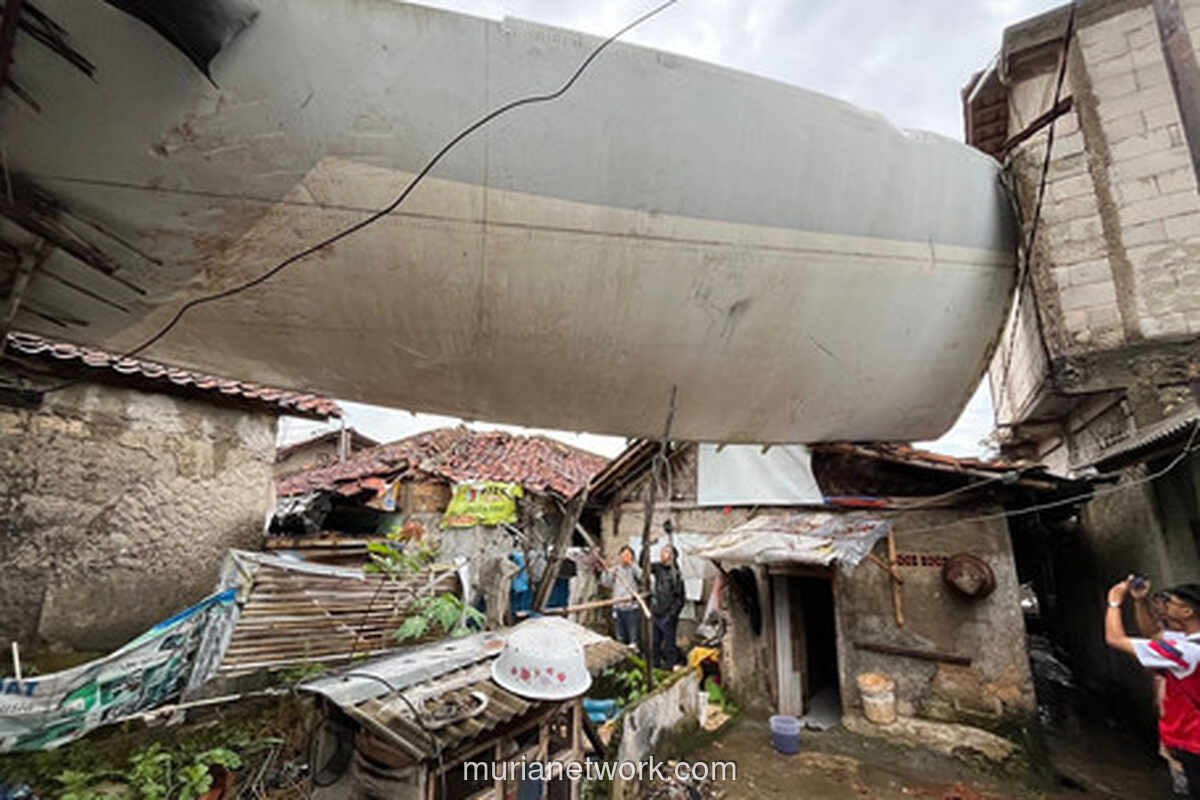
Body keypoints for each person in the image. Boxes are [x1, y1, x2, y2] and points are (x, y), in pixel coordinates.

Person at [1106, 576, 1200, 797]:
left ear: (1188, 612)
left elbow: (1115, 639)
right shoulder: (1187, 643)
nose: (1164, 606)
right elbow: (1154, 636)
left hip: (1193, 740)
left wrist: (1114, 601)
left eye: (1170, 603)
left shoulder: (1185, 652)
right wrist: (1140, 602)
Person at [651, 544, 686, 668]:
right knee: (655, 643)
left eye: (665, 552)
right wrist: (646, 546)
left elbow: (680, 599)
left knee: (669, 645)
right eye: (662, 551)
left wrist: (671, 615)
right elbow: (642, 565)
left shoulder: (676, 574)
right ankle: (655, 667)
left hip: (667, 616)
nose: (661, 554)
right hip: (656, 613)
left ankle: (671, 667)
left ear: (672, 556)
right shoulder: (658, 568)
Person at [601, 545, 642, 645]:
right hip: (617, 607)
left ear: (632, 557)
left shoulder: (634, 569)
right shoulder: (616, 569)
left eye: (628, 555)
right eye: (623, 554)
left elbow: (643, 577)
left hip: (631, 608)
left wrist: (632, 564)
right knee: (620, 637)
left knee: (633, 638)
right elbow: (606, 583)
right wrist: (606, 571)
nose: (625, 557)